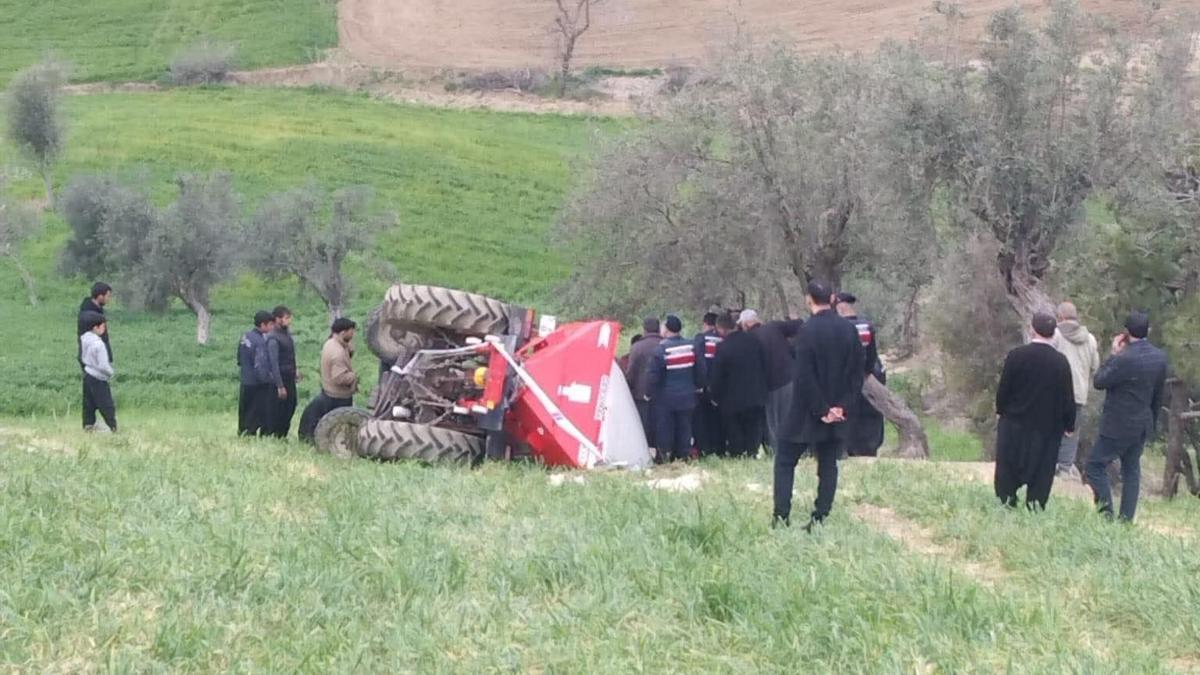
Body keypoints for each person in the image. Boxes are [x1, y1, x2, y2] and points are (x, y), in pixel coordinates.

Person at [774, 281, 864, 530]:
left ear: (808, 300)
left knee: (784, 461)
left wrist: (822, 409)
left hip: (806, 413)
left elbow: (804, 376)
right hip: (839, 412)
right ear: (833, 298)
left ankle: (781, 517)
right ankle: (820, 518)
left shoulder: (807, 331)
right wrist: (840, 408)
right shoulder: (849, 330)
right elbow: (858, 374)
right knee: (828, 464)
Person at [1086, 311, 1169, 523]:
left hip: (1117, 423)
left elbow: (1100, 381)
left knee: (1095, 465)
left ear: (1126, 333)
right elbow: (1158, 394)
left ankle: (1106, 515)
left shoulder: (1124, 358)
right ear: (1148, 331)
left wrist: (1113, 354)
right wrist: (1151, 421)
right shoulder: (1159, 358)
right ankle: (1126, 520)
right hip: (1142, 421)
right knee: (1131, 469)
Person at [994, 313, 1077, 510]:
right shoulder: (1060, 362)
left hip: (1015, 422)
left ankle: (1007, 502)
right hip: (1047, 428)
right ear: (1053, 333)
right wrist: (1069, 423)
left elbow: (1004, 388)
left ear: (1032, 329)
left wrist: (1001, 409)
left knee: (1008, 465)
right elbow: (1068, 396)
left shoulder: (1016, 355)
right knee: (1042, 469)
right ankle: (1035, 505)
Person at [740, 309, 804, 455]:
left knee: (774, 423)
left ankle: (779, 453)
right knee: (793, 417)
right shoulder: (774, 326)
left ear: (746, 324)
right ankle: (799, 451)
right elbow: (799, 325)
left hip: (771, 385)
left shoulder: (749, 338)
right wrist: (796, 317)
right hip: (792, 378)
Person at [1051, 301, 1100, 480]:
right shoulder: (1090, 339)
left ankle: (1050, 463)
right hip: (1078, 393)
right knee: (1072, 431)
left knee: (1052, 427)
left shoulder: (1055, 335)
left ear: (1061, 317)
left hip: (1056, 392)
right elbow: (1095, 366)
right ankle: (1065, 467)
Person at [708, 312, 768, 457]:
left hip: (732, 400)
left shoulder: (723, 347)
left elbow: (717, 376)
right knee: (754, 429)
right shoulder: (754, 340)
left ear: (721, 329)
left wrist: (714, 396)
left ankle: (737, 455)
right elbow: (765, 364)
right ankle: (752, 453)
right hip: (756, 395)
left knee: (735, 432)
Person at [835, 292, 886, 457]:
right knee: (871, 413)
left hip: (846, 380)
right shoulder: (866, 326)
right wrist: (868, 371)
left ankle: (848, 447)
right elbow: (872, 354)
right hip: (869, 377)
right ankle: (870, 446)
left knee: (849, 413)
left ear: (841, 306)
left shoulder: (839, 327)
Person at [647, 315, 701, 462]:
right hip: (688, 395)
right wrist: (698, 386)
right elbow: (700, 369)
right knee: (685, 427)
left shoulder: (662, 349)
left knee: (665, 428)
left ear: (667, 329)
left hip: (667, 397)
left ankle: (665, 457)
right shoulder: (691, 346)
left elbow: (654, 375)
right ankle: (684, 456)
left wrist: (649, 393)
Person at [299, 318, 360, 443]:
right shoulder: (337, 353)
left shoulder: (330, 343)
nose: (353, 334)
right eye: (351, 332)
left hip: (327, 390)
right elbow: (339, 377)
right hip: (338, 395)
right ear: (343, 332)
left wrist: (348, 349)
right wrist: (353, 376)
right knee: (339, 424)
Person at [625, 318, 663, 452]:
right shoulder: (664, 344)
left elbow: (631, 372)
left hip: (641, 395)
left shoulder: (637, 347)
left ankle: (645, 453)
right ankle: (662, 453)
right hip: (663, 394)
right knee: (661, 426)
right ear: (659, 329)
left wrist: (628, 388)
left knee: (644, 427)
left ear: (644, 329)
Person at [237, 310, 276, 437]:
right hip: (257, 382)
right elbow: (260, 365)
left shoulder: (245, 336)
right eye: (270, 324)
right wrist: (268, 379)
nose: (272, 327)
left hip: (245, 379)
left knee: (244, 409)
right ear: (263, 325)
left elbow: (239, 359)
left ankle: (242, 431)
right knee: (256, 411)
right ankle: (250, 433)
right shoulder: (260, 341)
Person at [692, 312, 725, 456]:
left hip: (705, 387)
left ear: (705, 324)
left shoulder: (701, 339)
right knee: (718, 420)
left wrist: (701, 384)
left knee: (702, 420)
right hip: (721, 386)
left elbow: (699, 363)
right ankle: (719, 448)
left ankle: (704, 448)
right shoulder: (723, 339)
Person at [79, 311, 117, 432]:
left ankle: (88, 425)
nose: (104, 329)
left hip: (88, 374)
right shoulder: (99, 345)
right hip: (99, 378)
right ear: (96, 327)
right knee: (106, 404)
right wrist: (111, 373)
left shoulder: (84, 339)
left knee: (88, 404)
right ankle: (112, 427)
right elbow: (103, 365)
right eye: (103, 326)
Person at [266, 305, 300, 438]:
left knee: (290, 405)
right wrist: (279, 385)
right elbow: (273, 363)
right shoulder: (273, 338)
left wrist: (295, 370)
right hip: (280, 379)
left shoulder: (286, 335)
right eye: (286, 318)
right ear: (278, 319)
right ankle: (276, 435)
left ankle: (283, 434)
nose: (289, 320)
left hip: (289, 377)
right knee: (278, 409)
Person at [77, 282, 114, 367]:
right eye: (108, 296)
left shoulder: (97, 310)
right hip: (92, 360)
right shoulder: (88, 315)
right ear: (100, 296)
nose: (109, 299)